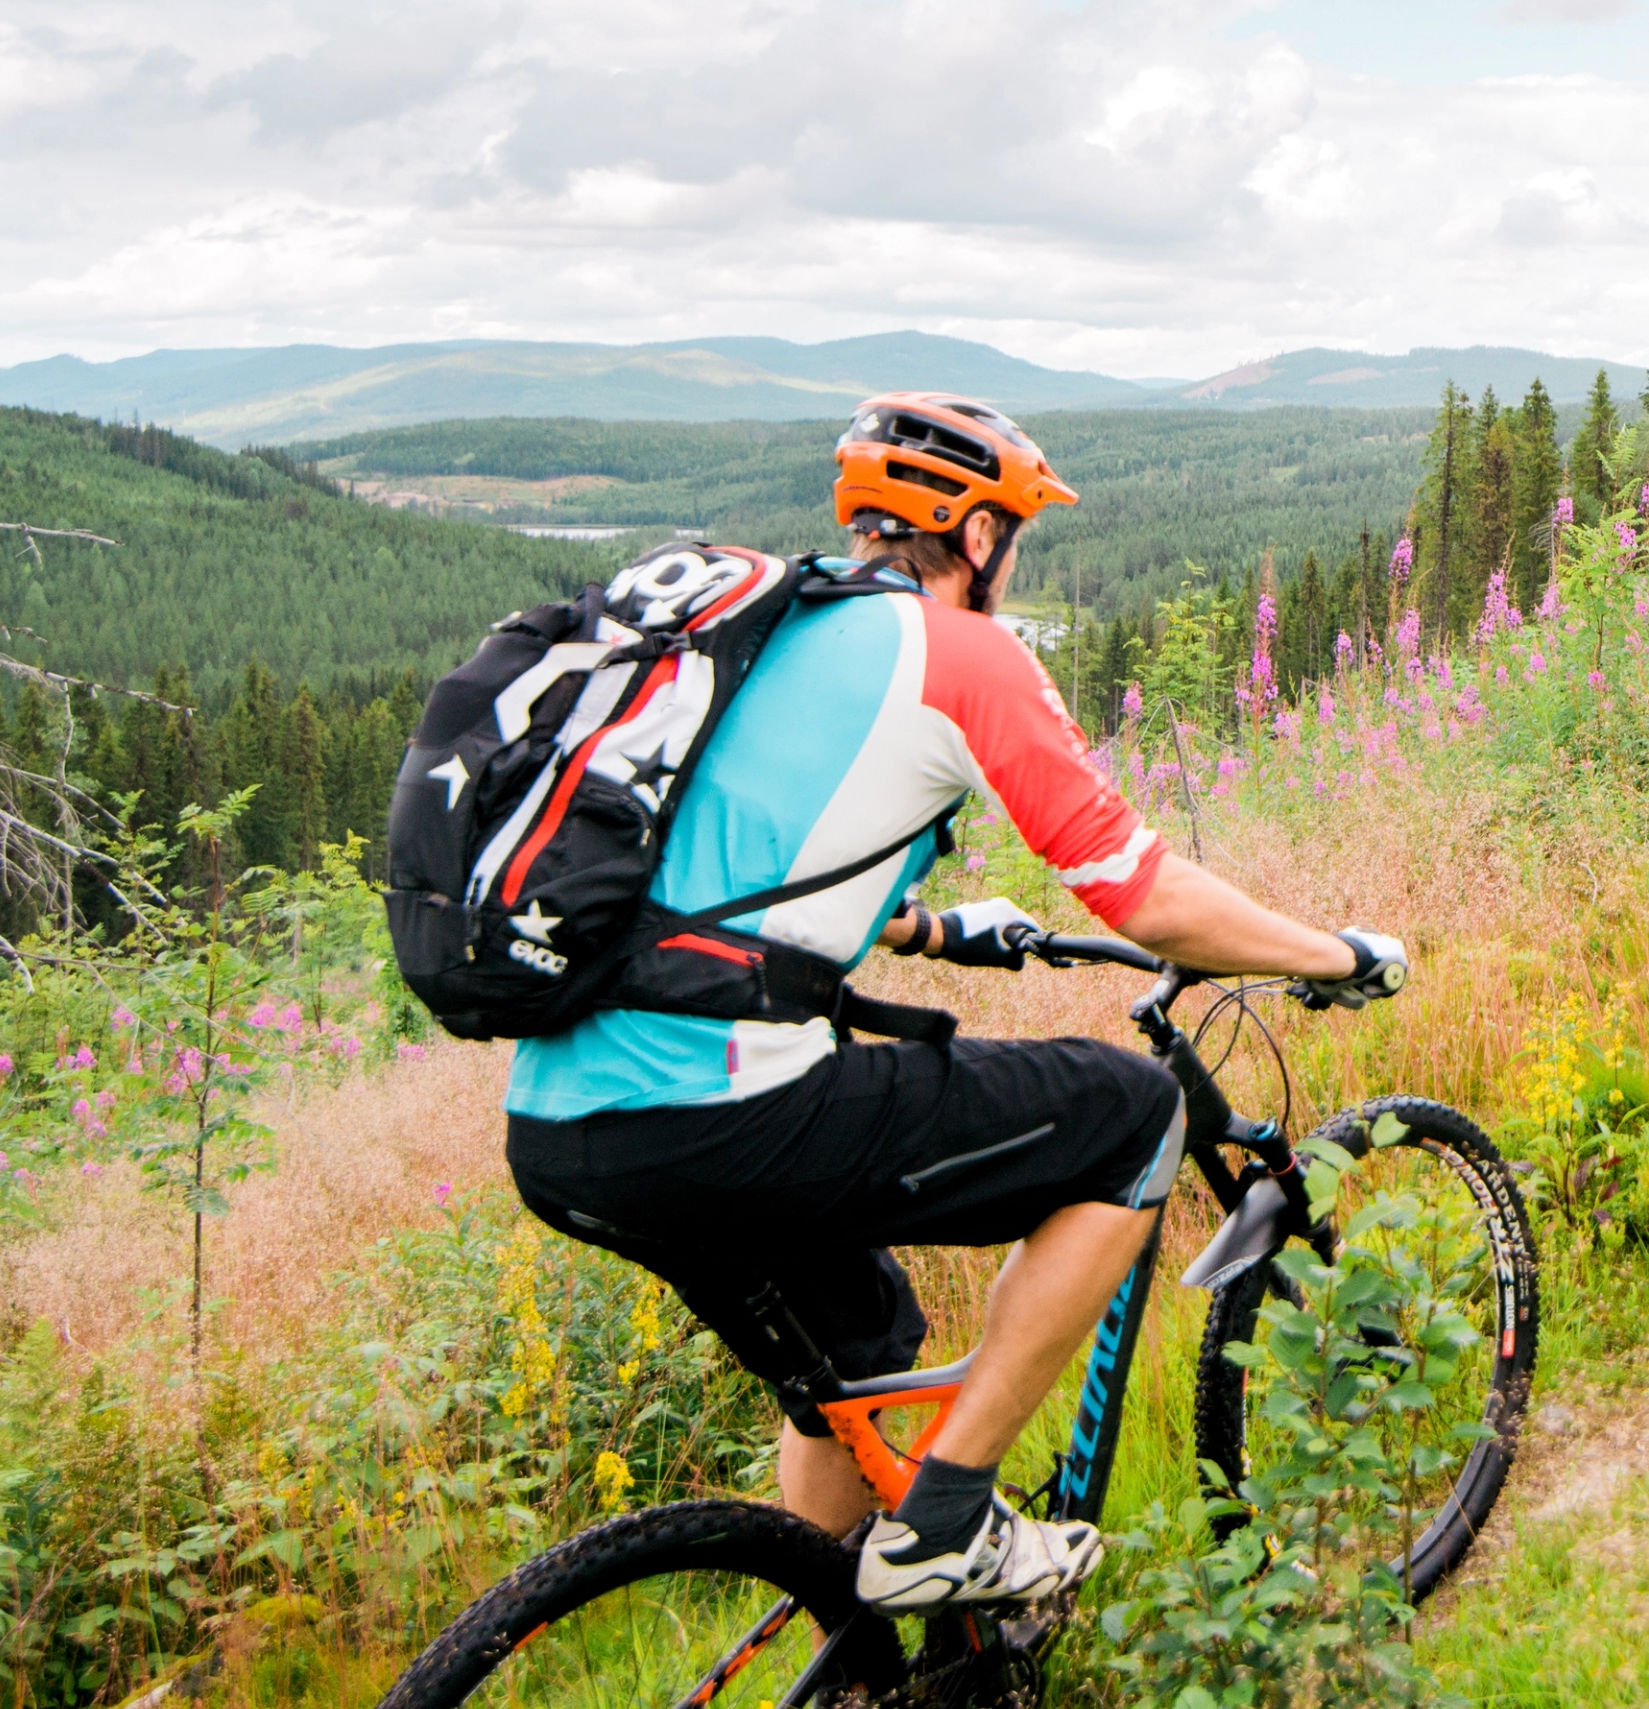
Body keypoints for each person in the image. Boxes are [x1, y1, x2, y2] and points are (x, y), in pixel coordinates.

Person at [497, 392, 1409, 1614]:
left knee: (861, 1355)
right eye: (1016, 533)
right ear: (978, 537)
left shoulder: (769, 633)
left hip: (561, 1124)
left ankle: (841, 1653)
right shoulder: (964, 652)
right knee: (1137, 1114)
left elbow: (742, 873)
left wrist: (933, 928)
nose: (1016, 555)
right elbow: (1141, 893)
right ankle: (948, 1519)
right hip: (720, 1110)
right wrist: (1328, 957)